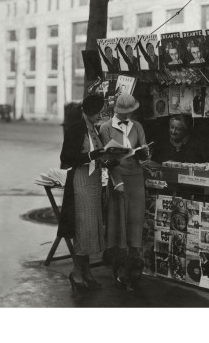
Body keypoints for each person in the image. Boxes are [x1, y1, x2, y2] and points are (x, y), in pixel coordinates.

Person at [58, 95, 118, 291]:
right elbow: (66, 158)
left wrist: (110, 159)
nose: (101, 114)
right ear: (90, 110)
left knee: (90, 229)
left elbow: (98, 153)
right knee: (81, 229)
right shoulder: (76, 127)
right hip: (80, 181)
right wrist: (91, 155)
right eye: (99, 111)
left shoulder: (94, 128)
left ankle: (86, 273)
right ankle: (77, 273)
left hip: (93, 181)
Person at [99, 93, 149, 284]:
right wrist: (116, 181)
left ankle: (134, 268)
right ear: (116, 110)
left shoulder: (137, 126)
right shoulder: (105, 128)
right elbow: (106, 159)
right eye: (124, 113)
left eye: (130, 112)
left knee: (135, 222)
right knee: (118, 223)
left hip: (136, 178)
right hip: (118, 179)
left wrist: (144, 152)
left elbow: (144, 151)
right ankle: (118, 268)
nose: (128, 116)